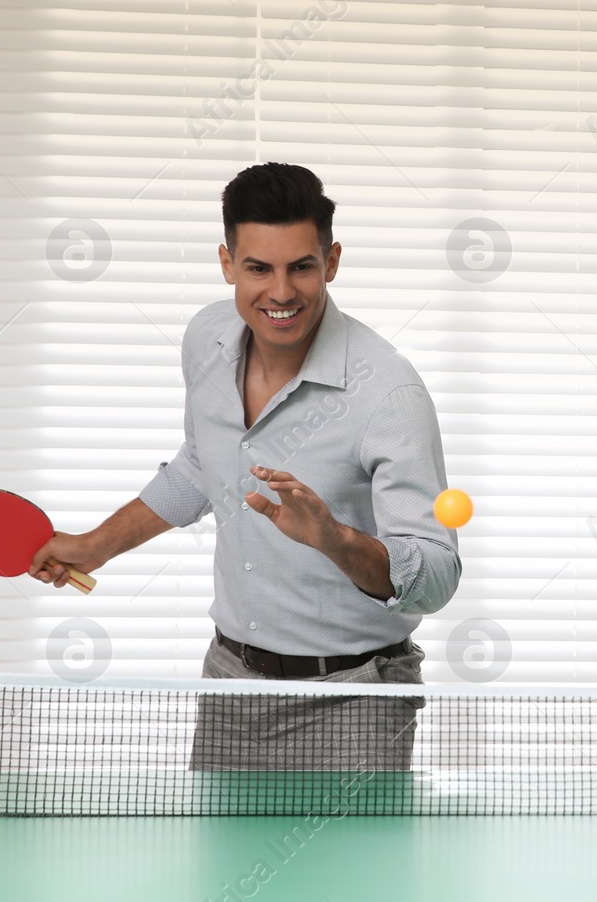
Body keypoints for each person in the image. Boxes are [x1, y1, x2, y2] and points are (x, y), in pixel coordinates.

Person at [30, 162, 460, 770]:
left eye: (301, 267)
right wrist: (95, 545)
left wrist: (336, 540)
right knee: (219, 869)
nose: (280, 292)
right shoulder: (206, 339)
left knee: (355, 871)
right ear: (228, 263)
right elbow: (201, 467)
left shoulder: (388, 394)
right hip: (230, 682)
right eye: (258, 267)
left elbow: (438, 576)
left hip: (355, 699)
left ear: (331, 262)